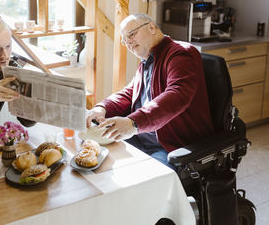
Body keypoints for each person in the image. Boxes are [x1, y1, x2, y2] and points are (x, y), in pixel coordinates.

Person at [86, 14, 213, 168]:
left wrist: (133, 123)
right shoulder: (147, 61)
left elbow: (177, 94)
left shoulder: (181, 53)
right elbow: (130, 92)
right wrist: (102, 108)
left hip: (170, 147)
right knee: (95, 158)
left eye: (131, 34)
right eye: (124, 40)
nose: (128, 42)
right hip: (141, 137)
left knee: (131, 181)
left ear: (152, 28)